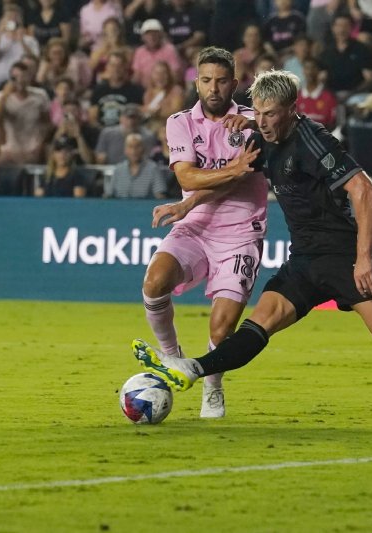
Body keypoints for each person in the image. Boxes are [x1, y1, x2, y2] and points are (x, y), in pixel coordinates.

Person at [132, 69, 372, 427]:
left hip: (343, 256)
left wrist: (364, 259)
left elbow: (366, 191)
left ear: (291, 109)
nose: (263, 122)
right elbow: (230, 180)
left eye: (271, 114)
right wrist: (186, 204)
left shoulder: (313, 140)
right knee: (258, 325)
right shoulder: (260, 137)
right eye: (259, 113)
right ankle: (192, 369)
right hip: (303, 260)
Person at [140, 46, 270, 418]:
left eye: (222, 80)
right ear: (197, 82)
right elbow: (186, 175)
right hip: (195, 227)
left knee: (222, 325)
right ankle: (172, 356)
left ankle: (212, 386)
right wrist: (231, 172)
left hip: (240, 232)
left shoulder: (251, 122)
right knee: (154, 282)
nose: (214, 88)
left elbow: (239, 177)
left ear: (235, 82)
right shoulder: (179, 122)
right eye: (207, 80)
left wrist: (254, 130)